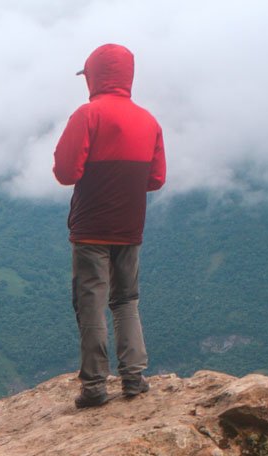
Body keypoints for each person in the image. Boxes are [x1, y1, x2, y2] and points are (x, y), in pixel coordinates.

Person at [52, 43, 167, 408]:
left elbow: (66, 172)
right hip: (130, 226)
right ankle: (134, 377)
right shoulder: (149, 121)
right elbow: (156, 178)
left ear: (94, 76)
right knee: (126, 300)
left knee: (92, 303)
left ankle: (95, 387)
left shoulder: (88, 115)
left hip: (90, 229)